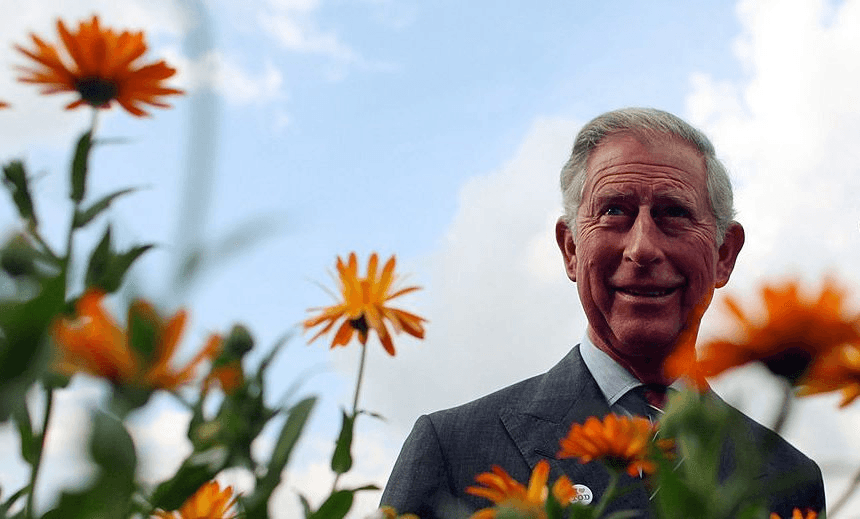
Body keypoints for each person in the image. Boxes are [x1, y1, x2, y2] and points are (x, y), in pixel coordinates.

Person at [380, 108, 825, 518]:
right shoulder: (454, 449)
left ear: (724, 254)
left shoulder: (791, 481)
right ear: (570, 249)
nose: (642, 247)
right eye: (614, 211)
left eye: (674, 212)